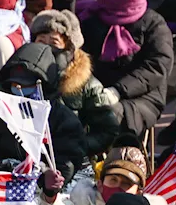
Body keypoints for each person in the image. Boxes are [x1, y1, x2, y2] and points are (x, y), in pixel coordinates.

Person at [72, 0, 174, 137]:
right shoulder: (92, 16)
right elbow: (70, 42)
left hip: (140, 98)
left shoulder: (153, 23)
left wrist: (118, 91)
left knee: (108, 116)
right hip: (94, 94)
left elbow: (157, 66)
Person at [0, 42, 87, 180]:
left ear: (43, 86)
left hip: (45, 194)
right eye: (14, 85)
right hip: (4, 188)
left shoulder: (63, 120)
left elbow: (66, 168)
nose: (19, 90)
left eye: (26, 85)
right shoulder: (0, 114)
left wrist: (46, 184)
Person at [31, 9, 121, 158]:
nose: (46, 49)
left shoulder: (87, 85)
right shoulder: (21, 77)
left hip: (70, 161)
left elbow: (107, 130)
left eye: (54, 42)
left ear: (69, 48)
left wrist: (77, 148)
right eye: (41, 41)